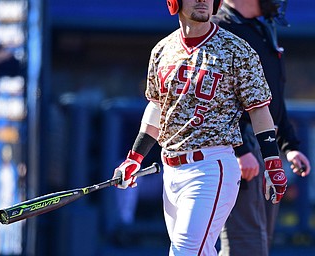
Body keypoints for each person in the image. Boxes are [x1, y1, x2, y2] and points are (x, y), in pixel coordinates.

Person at [113, 0, 288, 255]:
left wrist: (272, 162)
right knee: (201, 251)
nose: (202, 0)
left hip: (212, 166)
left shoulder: (236, 49)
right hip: (171, 170)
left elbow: (259, 109)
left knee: (184, 251)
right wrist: (134, 158)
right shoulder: (163, 49)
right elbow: (157, 107)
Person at [211, 0, 312, 255]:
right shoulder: (219, 29)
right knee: (244, 241)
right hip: (238, 147)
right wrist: (240, 149)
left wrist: (289, 146)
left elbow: (273, 97)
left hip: (267, 146)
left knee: (261, 240)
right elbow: (216, 101)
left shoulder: (261, 28)